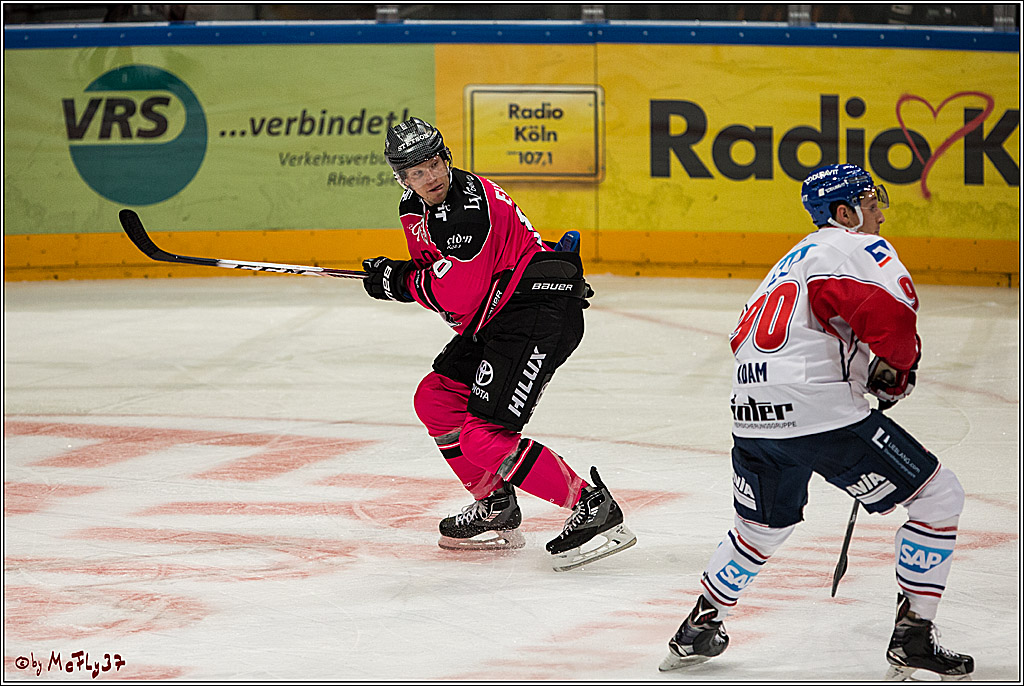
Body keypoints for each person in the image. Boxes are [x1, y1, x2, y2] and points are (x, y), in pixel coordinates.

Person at [659, 163, 973, 680]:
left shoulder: (787, 263)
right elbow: (891, 313)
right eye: (869, 203)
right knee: (939, 498)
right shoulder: (853, 248)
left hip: (750, 410)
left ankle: (699, 626)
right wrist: (896, 369)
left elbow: (746, 337)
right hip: (816, 410)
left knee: (761, 526)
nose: (879, 212)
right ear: (843, 213)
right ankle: (913, 634)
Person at [361, 116, 636, 572]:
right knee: (435, 399)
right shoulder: (413, 209)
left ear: (444, 158)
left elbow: (457, 291)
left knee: (484, 437)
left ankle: (592, 506)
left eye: (432, 164)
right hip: (499, 316)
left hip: (535, 314)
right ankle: (495, 503)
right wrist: (399, 278)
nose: (428, 177)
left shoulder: (467, 208)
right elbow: (444, 282)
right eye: (414, 171)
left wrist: (398, 281)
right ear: (401, 177)